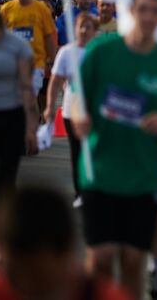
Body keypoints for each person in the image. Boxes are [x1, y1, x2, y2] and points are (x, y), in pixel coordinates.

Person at [72, 0, 157, 299]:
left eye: (155, 11)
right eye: (142, 9)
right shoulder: (101, 51)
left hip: (144, 178)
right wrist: (79, 117)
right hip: (100, 172)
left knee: (132, 261)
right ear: (131, 11)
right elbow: (79, 97)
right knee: (100, 259)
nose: (148, 17)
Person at [0, 185, 131, 299]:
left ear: (67, 254)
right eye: (15, 278)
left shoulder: (105, 296)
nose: (31, 291)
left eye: (39, 276)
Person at [0, 2, 38, 263]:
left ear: (0, 28)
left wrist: (31, 127)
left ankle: (4, 241)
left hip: (10, 118)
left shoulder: (16, 46)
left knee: (5, 182)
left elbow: (26, 87)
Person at [45, 12, 100, 208]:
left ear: (95, 31)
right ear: (75, 29)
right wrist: (50, 106)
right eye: (81, 26)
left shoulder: (100, 53)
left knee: (95, 152)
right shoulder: (66, 52)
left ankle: (96, 191)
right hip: (71, 110)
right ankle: (80, 193)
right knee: (77, 153)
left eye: (89, 27)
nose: (84, 30)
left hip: (96, 112)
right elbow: (55, 81)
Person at [0, 0, 56, 96]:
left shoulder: (42, 9)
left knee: (30, 97)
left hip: (35, 63)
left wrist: (53, 59)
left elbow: (49, 36)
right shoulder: (6, 9)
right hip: (13, 62)